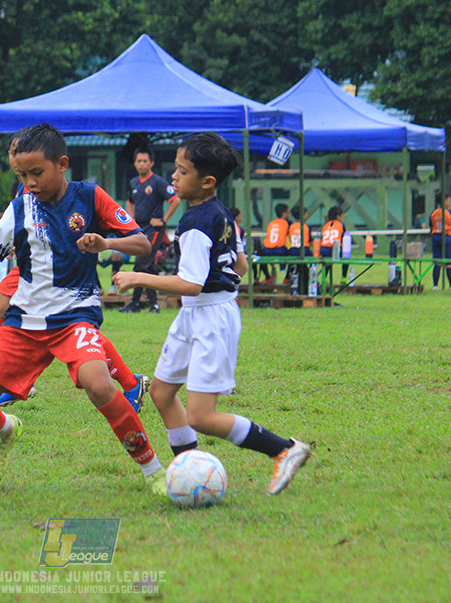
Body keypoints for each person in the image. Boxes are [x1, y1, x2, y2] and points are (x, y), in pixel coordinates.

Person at [0, 124, 169, 495]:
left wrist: (105, 241)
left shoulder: (90, 197)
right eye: (21, 175)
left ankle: (153, 471)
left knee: (98, 385)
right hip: (24, 323)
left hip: (75, 316)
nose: (29, 182)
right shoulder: (17, 209)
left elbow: (141, 243)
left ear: (62, 164)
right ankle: (7, 429)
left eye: (36, 173)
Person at [112, 132, 311, 496]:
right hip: (198, 315)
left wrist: (137, 276)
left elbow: (191, 284)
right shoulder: (222, 215)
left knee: (201, 416)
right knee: (161, 393)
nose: (173, 176)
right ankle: (190, 470)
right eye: (174, 168)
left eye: (182, 171)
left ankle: (284, 448)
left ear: (207, 181)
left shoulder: (193, 224)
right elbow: (242, 265)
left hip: (210, 318)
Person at [0, 132, 149, 411]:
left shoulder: (66, 189)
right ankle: (14, 376)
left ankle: (129, 382)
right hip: (30, 271)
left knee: (75, 326)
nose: (14, 159)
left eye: (16, 152)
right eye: (11, 153)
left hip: (56, 273)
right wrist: (0, 237)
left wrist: (102, 242)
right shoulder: (25, 188)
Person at [119, 146, 179, 313]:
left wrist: (164, 220)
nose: (142, 164)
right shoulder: (134, 182)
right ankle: (153, 304)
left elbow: (175, 200)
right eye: (139, 161)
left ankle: (135, 302)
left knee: (142, 262)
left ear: (151, 163)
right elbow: (130, 201)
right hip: (139, 229)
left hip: (154, 229)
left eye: (145, 161)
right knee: (148, 265)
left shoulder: (158, 181)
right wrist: (130, 222)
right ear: (135, 163)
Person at [429, 193, 451, 291]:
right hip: (448, 237)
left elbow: (431, 227)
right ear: (445, 200)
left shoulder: (434, 213)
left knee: (437, 262)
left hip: (436, 237)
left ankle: (435, 285)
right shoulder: (450, 213)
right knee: (449, 263)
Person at [258, 203, 290, 283]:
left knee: (261, 257)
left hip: (267, 250)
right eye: (288, 212)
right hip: (280, 250)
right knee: (294, 254)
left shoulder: (271, 223)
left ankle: (268, 277)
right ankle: (287, 278)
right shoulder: (287, 222)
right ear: (284, 214)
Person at [286, 205, 312, 293]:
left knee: (295, 266)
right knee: (312, 261)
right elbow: (309, 240)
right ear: (303, 215)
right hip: (304, 250)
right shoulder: (306, 226)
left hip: (293, 250)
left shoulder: (291, 226)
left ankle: (287, 277)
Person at [320, 205, 349, 281]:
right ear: (338, 216)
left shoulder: (325, 225)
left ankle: (324, 278)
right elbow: (343, 239)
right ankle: (344, 277)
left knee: (328, 262)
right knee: (346, 257)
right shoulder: (341, 224)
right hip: (335, 250)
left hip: (323, 250)